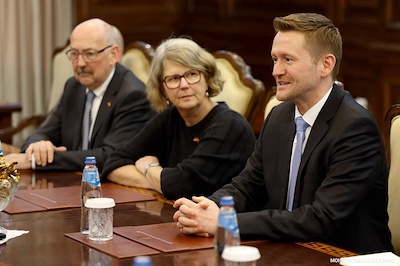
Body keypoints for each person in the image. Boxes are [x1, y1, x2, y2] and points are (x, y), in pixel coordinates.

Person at [173, 13, 393, 254]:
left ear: (326, 65)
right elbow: (248, 186)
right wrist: (209, 208)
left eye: (288, 59)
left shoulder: (355, 128)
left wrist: (226, 222)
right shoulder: (279, 116)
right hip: (286, 248)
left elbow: (321, 218)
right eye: (274, 59)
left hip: (340, 255)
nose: (276, 71)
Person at [101, 37, 256, 200]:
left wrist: (149, 168)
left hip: (229, 220)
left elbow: (181, 185)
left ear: (207, 79)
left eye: (192, 74)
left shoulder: (229, 125)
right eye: (174, 78)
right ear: (162, 89)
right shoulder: (170, 118)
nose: (184, 85)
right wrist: (159, 182)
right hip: (181, 215)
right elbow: (113, 164)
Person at [5, 18, 155, 172]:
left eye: (89, 54)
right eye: (74, 54)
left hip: (110, 188)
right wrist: (37, 146)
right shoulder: (74, 86)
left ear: (113, 54)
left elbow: (110, 155)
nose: (80, 63)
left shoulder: (133, 95)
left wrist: (37, 161)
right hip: (71, 180)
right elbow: (44, 131)